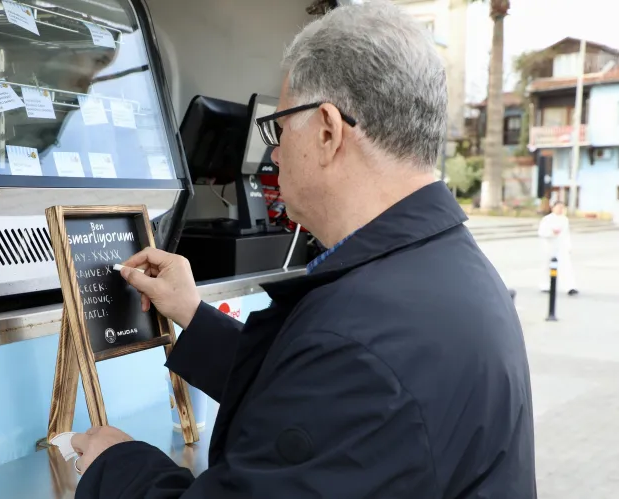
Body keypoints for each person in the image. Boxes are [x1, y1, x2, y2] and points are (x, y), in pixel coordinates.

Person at [70, 1, 537, 497]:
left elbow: (336, 383)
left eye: (279, 127)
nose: (274, 153)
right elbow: (314, 400)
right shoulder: (448, 270)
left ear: (328, 130)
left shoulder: (359, 339)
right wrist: (193, 313)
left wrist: (116, 465)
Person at [538, 201, 578, 295]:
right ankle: (545, 285)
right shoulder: (547, 219)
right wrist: (552, 232)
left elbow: (566, 234)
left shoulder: (564, 220)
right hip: (549, 246)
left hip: (561, 246)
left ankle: (570, 286)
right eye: (559, 207)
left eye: (562, 208)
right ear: (553, 208)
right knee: (547, 266)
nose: (560, 209)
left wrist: (569, 246)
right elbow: (542, 232)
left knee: (566, 266)